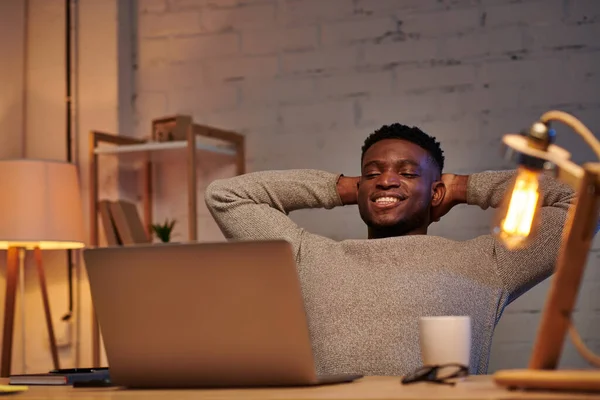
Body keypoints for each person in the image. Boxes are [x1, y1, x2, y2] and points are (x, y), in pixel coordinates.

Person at [204, 123, 574, 376]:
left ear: (436, 191)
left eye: (408, 173)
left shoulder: (489, 265)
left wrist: (463, 186)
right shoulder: (307, 258)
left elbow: (580, 202)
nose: (386, 179)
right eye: (372, 172)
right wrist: (346, 187)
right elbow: (227, 195)